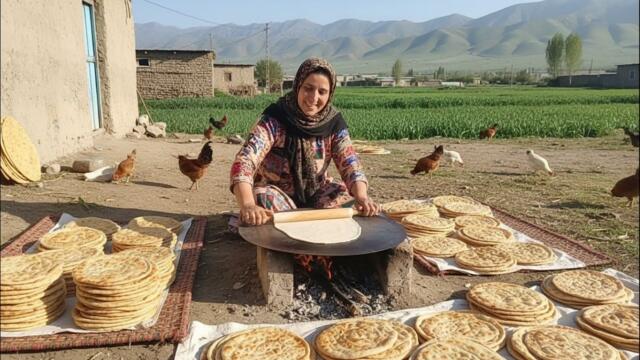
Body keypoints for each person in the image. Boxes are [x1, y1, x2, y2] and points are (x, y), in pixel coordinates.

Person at [230, 58, 380, 226]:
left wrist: (361, 196)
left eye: (322, 92)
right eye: (308, 88)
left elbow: (350, 162)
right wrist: (248, 204)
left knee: (348, 203)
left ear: (330, 94)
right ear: (298, 86)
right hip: (277, 194)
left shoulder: (333, 123)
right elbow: (245, 160)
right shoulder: (275, 119)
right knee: (262, 198)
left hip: (317, 191)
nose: (313, 98)